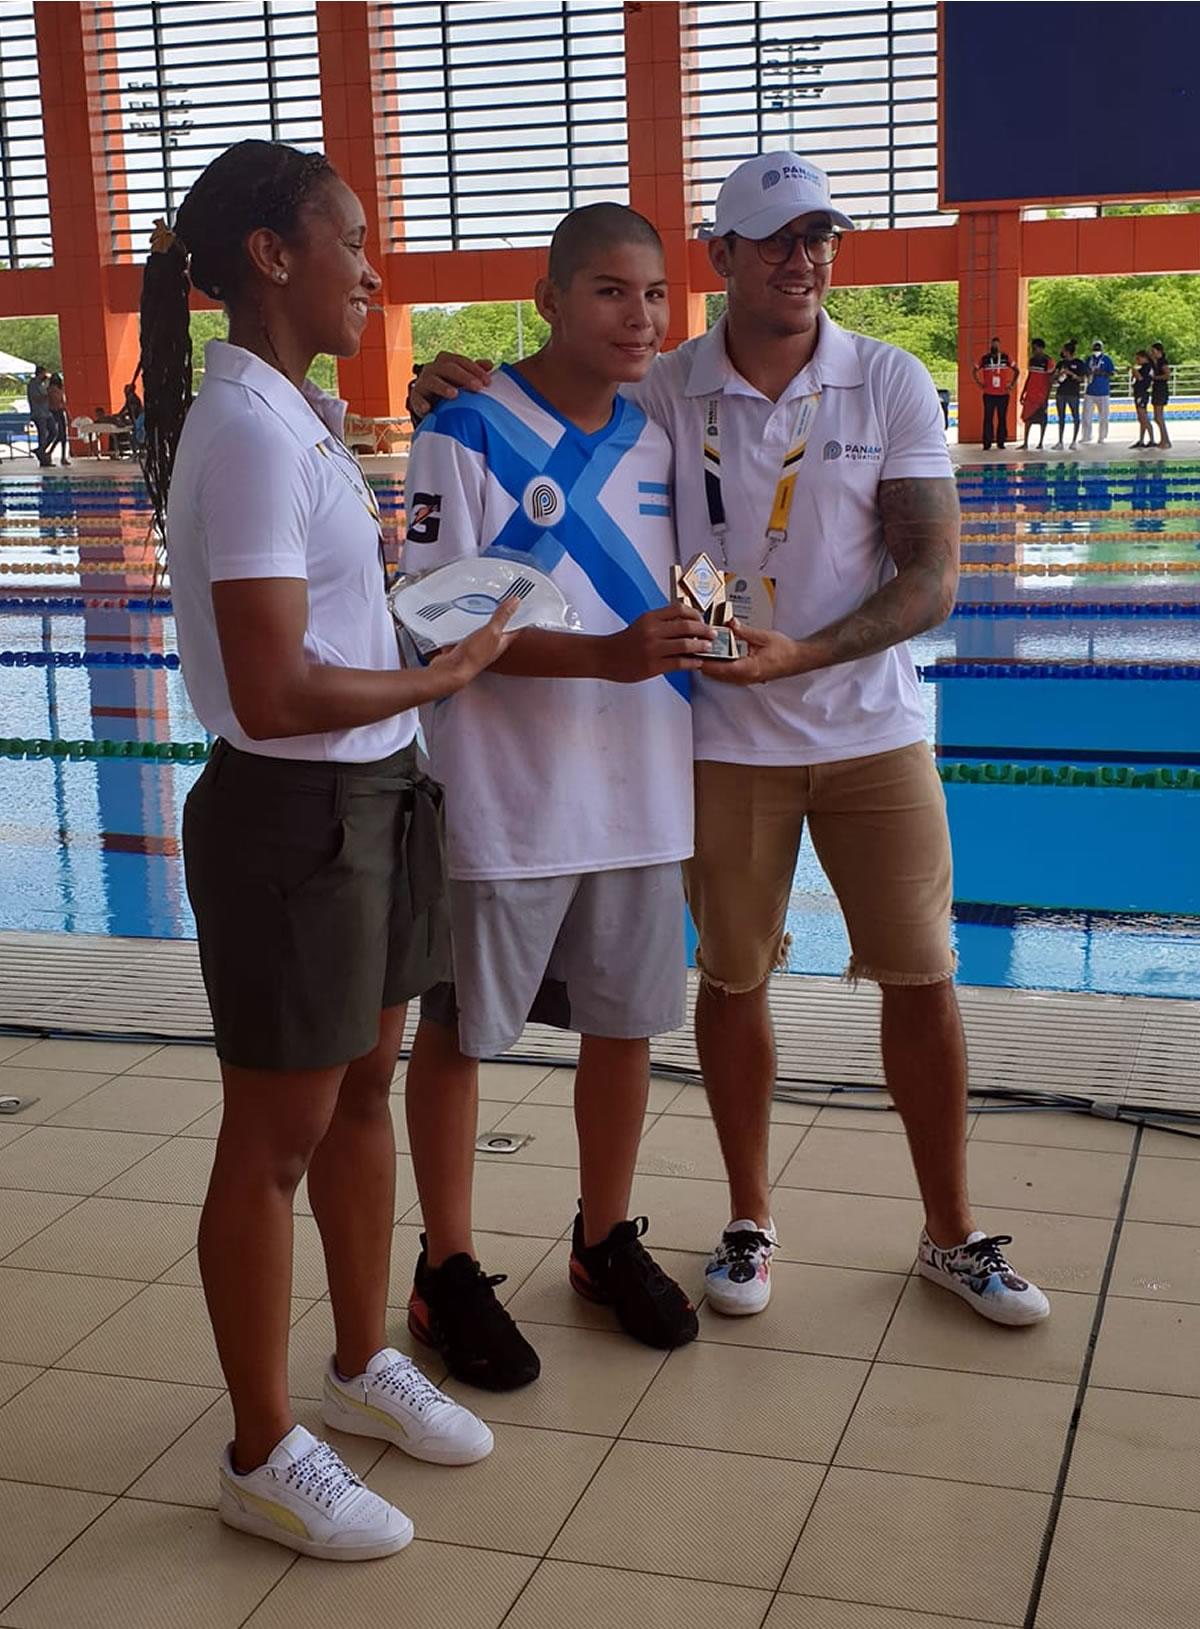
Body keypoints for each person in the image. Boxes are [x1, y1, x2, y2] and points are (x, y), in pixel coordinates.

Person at [411, 151, 1051, 1333]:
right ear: (727, 259)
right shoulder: (667, 386)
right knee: (733, 978)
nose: (805, 260)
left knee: (922, 976)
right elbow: (558, 422)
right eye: (778, 240)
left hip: (871, 730)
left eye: (822, 237)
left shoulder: (890, 380)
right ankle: (749, 1219)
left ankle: (951, 1234)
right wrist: (457, 394)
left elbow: (934, 578)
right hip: (718, 742)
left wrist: (802, 657)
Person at [138, 138, 514, 1561]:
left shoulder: (289, 415)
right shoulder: (240, 435)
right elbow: (279, 686)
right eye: (351, 239)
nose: (376, 264)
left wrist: (422, 629)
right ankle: (258, 1449)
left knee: (369, 1087)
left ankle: (362, 1361)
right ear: (272, 258)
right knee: (273, 1139)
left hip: (373, 800)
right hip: (296, 819)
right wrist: (441, 675)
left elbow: (336, 625)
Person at [401, 203, 706, 1391]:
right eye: (610, 293)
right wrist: (605, 656)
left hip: (641, 790)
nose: (640, 319)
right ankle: (449, 1268)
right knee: (462, 1033)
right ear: (551, 300)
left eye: (654, 296)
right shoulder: (466, 433)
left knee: (624, 1027)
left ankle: (600, 1240)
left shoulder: (661, 438)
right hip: (505, 792)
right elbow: (432, 615)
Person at [972, 337, 1017, 450]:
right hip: (989, 394)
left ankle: (1001, 442)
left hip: (1003, 393)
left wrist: (1012, 384)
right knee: (988, 418)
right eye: (993, 345)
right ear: (990, 346)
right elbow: (974, 370)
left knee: (1002, 418)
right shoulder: (985, 358)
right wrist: (979, 383)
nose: (995, 347)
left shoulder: (1006, 358)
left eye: (996, 345)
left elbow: (1017, 370)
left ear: (999, 346)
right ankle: (987, 442)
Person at [1019, 337, 1054, 451]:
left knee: (1042, 419)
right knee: (1028, 419)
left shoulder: (1048, 361)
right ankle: (1025, 443)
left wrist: (1047, 398)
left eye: (1035, 347)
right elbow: (1029, 377)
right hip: (1031, 394)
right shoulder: (1032, 360)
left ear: (1041, 348)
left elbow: (1050, 380)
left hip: (1041, 395)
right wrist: (1023, 392)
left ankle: (1041, 442)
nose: (1033, 350)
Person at [1053, 341, 1087, 450]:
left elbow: (1082, 378)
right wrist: (1059, 374)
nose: (1062, 352)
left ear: (1068, 352)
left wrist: (1071, 374)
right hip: (1061, 392)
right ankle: (1060, 441)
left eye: (1063, 350)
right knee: (1061, 417)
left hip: (1073, 393)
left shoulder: (1078, 363)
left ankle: (1074, 441)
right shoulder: (1060, 363)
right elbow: (1054, 378)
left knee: (1075, 416)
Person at [1080, 339, 1115, 445]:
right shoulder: (1088, 359)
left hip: (1103, 392)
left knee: (1104, 416)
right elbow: (1084, 371)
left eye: (1098, 347)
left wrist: (1102, 372)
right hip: (1090, 391)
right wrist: (1088, 372)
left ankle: (1102, 437)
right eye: (1095, 346)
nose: (1096, 349)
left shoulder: (1107, 359)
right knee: (1086, 416)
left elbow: (1112, 372)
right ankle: (1086, 436)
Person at [26, 364, 52, 466]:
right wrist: (47, 395)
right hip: (39, 413)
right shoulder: (33, 385)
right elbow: (37, 399)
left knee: (53, 431)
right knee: (42, 435)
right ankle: (42, 457)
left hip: (46, 412)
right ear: (40, 374)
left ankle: (41, 450)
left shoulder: (42, 384)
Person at [1130, 349, 1155, 448]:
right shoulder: (1144, 367)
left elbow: (1141, 378)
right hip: (1139, 393)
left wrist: (1134, 370)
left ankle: (1152, 439)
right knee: (1141, 418)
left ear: (1144, 358)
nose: (1137, 360)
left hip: (1142, 393)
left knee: (1143, 417)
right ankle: (1141, 439)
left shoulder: (1147, 368)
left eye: (1138, 358)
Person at [1149, 342, 1172, 449]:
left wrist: (1155, 378)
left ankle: (1165, 440)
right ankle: (1165, 439)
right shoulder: (1155, 362)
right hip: (1157, 389)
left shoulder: (1163, 362)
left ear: (1159, 352)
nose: (1152, 353)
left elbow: (1167, 375)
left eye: (1153, 351)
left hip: (1161, 390)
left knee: (1159, 417)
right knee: (1157, 417)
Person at [44, 372, 70, 465]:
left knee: (62, 436)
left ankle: (60, 455)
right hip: (53, 413)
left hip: (58, 412)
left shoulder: (56, 390)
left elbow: (63, 403)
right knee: (58, 434)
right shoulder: (50, 390)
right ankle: (51, 453)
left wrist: (68, 415)